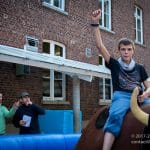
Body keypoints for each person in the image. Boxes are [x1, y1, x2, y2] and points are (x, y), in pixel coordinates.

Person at [91, 9, 150, 150]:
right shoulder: (115, 64)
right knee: (115, 116)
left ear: (133, 51)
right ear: (119, 50)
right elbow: (100, 46)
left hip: (140, 97)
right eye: (123, 49)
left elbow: (149, 86)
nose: (126, 52)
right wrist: (95, 23)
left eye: (129, 49)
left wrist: (146, 94)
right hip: (122, 96)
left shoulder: (140, 67)